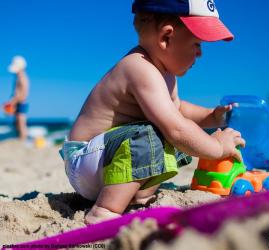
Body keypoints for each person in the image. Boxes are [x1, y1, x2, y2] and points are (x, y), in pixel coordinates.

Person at [60, 0, 245, 224]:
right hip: (85, 160)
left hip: (106, 162)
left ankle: (137, 195)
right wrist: (217, 147)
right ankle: (105, 210)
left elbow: (177, 110)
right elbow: (176, 127)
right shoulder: (139, 68)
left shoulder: (165, 74)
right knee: (162, 133)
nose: (200, 54)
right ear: (166, 38)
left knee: (171, 132)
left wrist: (211, 116)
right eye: (197, 44)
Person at [5, 56, 29, 140]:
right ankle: (19, 137)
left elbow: (23, 93)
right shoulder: (18, 78)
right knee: (17, 122)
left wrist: (13, 102)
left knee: (21, 122)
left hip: (21, 102)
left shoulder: (22, 77)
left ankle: (23, 139)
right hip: (18, 102)